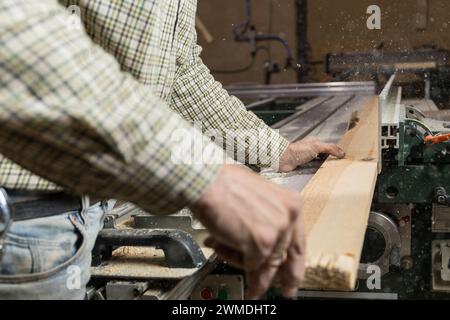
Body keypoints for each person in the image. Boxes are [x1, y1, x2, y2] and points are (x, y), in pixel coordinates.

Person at [0, 0, 344, 300]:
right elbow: (13, 27)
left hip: (77, 205)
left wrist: (271, 150)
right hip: (23, 215)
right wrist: (204, 176)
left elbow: (180, 70)